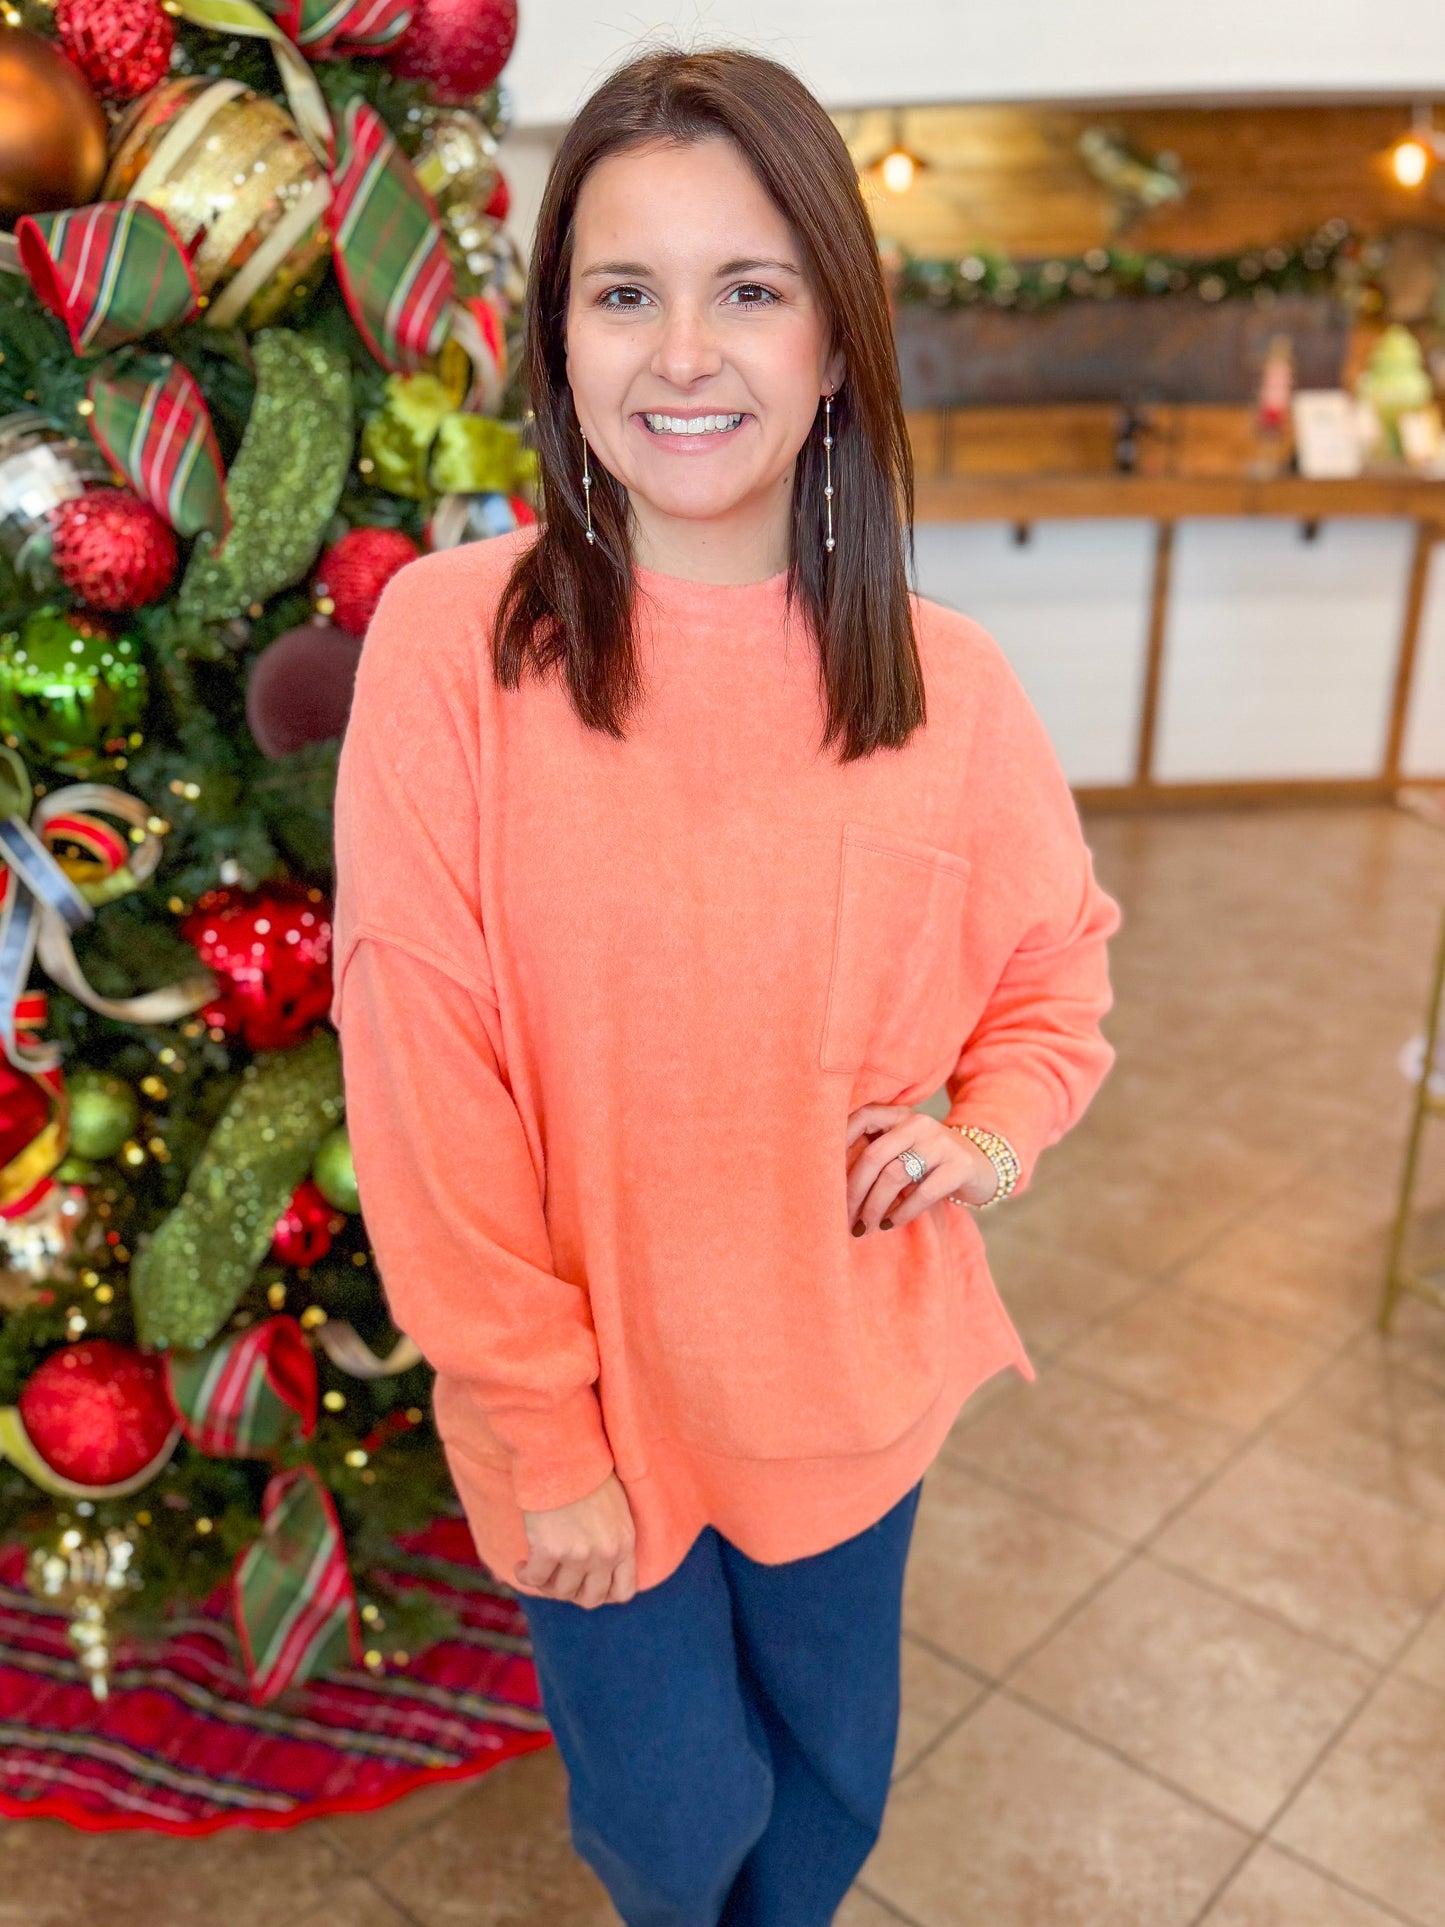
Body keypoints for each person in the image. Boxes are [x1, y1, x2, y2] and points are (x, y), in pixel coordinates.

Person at [330, 42, 1121, 1927]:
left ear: (832, 343)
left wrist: (987, 1141)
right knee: (672, 1826)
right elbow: (423, 1074)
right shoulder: (455, 644)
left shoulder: (949, 689)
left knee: (827, 1807)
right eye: (625, 292)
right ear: (561, 337)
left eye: (749, 290)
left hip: (843, 1388)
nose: (682, 353)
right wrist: (539, 1427)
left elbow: (1053, 984)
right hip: (585, 1416)